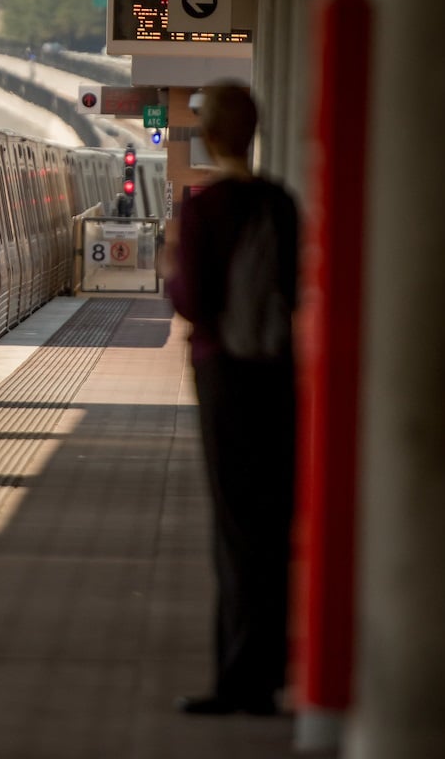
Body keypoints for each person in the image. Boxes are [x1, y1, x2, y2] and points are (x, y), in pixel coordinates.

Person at [166, 83, 300, 716]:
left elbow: (192, 301)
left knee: (235, 524)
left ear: (210, 135)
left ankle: (239, 682)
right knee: (272, 518)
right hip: (278, 373)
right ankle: (269, 670)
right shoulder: (281, 203)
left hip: (224, 373)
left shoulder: (206, 209)